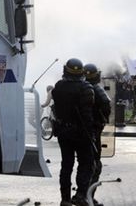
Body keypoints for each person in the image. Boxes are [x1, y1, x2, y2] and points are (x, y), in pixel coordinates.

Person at [52, 58, 95, 206]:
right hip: (81, 133)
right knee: (86, 163)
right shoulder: (86, 88)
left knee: (66, 165)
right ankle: (81, 195)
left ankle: (65, 199)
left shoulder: (58, 86)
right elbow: (87, 115)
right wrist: (91, 134)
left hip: (63, 131)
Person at [84, 63, 111, 206]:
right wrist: (101, 120)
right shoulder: (95, 89)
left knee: (82, 165)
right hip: (93, 132)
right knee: (95, 165)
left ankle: (80, 196)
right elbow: (107, 104)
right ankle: (88, 197)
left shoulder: (79, 88)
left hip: (78, 132)